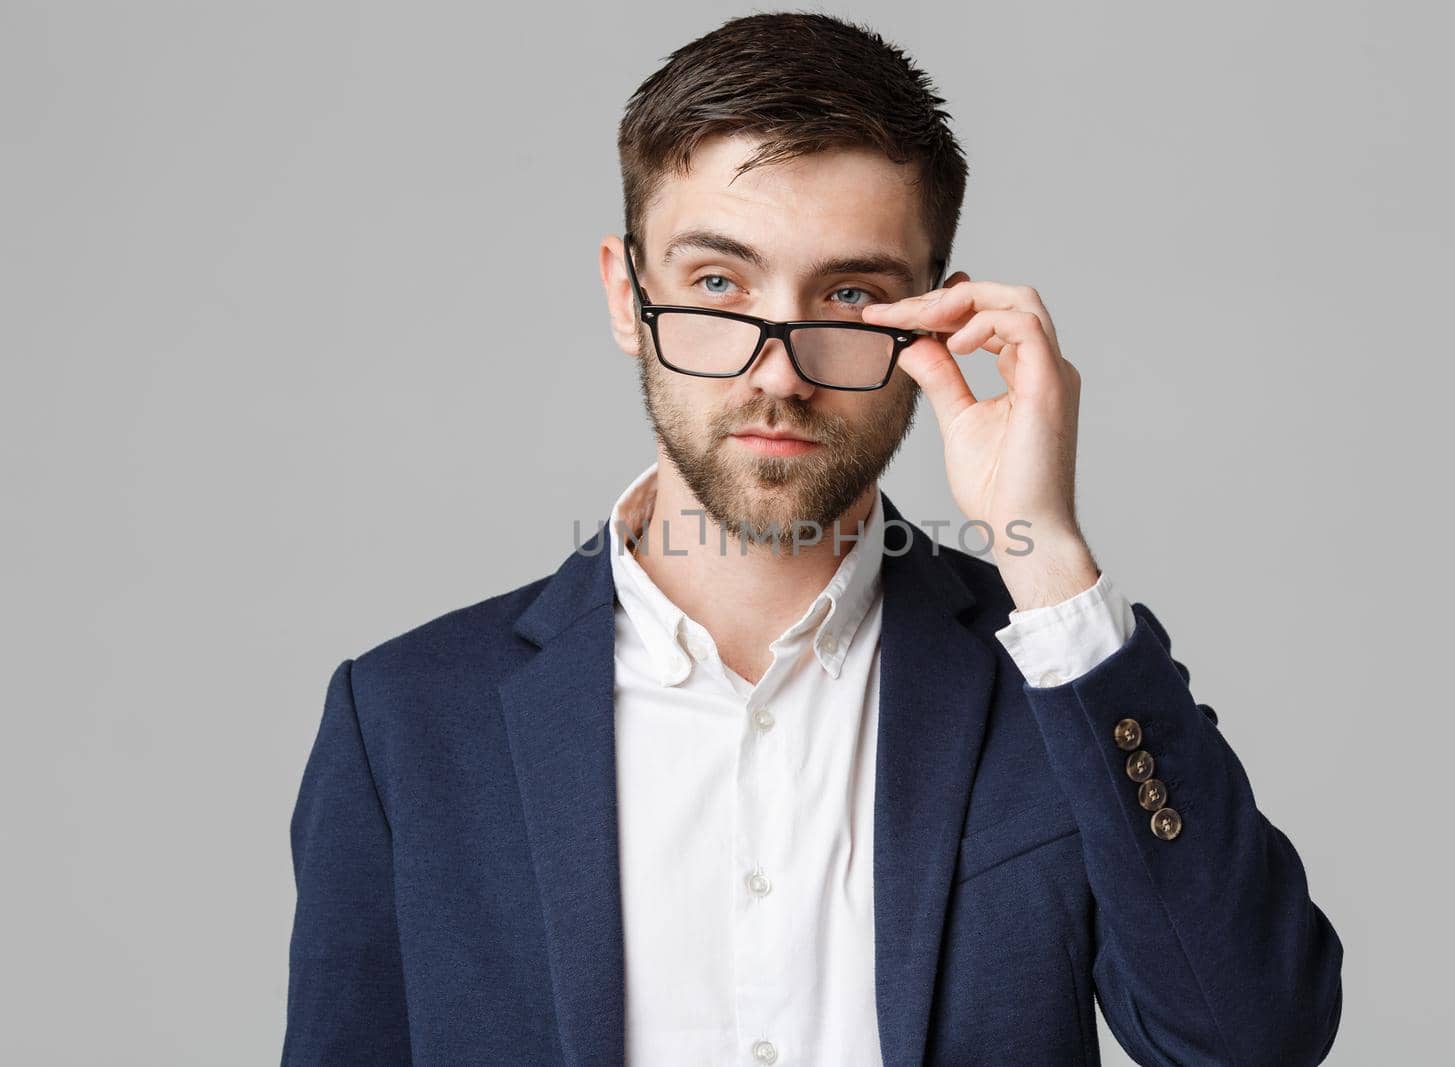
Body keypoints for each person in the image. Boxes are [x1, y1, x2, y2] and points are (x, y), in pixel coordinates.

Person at [282, 12, 1342, 1066]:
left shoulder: (1052, 680)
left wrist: (1045, 549)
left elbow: (1253, 1038)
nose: (777, 371)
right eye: (716, 284)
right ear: (626, 291)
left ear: (934, 314)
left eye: (849, 294)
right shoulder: (408, 722)